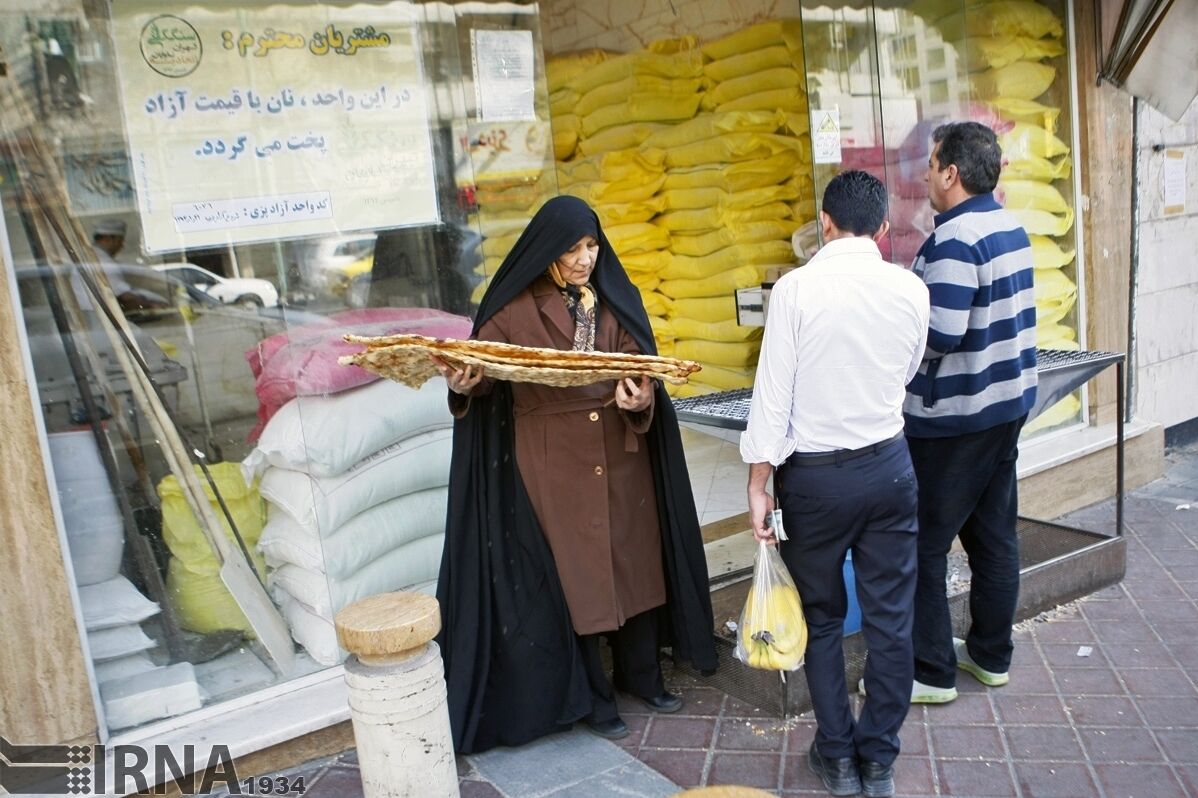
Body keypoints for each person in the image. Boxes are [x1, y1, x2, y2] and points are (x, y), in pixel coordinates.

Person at [432, 195, 717, 754]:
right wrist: (464, 385)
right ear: (545, 251)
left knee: (636, 567)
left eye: (590, 246)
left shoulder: (616, 296)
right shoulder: (512, 308)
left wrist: (640, 399)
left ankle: (643, 675)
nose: (585, 258)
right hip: (552, 462)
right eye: (571, 249)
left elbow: (641, 363)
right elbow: (483, 373)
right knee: (578, 578)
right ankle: (596, 697)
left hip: (620, 453)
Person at [741, 170, 930, 798]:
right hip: (888, 468)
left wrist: (758, 480)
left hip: (815, 482)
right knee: (890, 623)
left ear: (824, 223)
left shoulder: (795, 289)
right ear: (881, 228)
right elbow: (905, 372)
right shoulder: (909, 289)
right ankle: (878, 759)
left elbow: (773, 395)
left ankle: (838, 759)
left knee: (823, 621)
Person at [903, 121, 1038, 704]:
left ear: (951, 173)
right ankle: (990, 656)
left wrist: (899, 322)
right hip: (1005, 407)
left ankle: (931, 673)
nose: (927, 177)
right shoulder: (1010, 225)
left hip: (955, 420)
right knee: (992, 538)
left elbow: (944, 331)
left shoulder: (954, 240)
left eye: (932, 166)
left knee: (923, 546)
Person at [86, 218, 166, 312]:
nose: (122, 246)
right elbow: (125, 297)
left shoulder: (91, 255)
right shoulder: (104, 262)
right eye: (120, 241)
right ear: (108, 238)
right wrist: (152, 305)